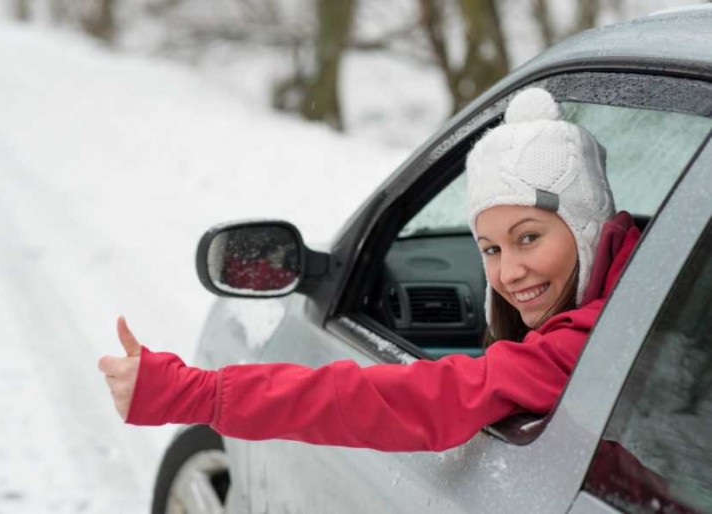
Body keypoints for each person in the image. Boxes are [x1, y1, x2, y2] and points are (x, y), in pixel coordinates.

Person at [98, 88, 641, 452]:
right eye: (491, 249)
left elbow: (390, 400)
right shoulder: (651, 284)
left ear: (586, 225)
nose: (510, 272)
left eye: (528, 238)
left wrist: (198, 394)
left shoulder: (581, 347)